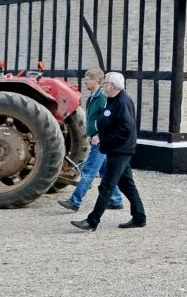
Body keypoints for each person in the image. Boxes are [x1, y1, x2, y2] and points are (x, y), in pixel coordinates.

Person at [71, 72, 147, 231]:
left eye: (105, 83)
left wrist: (105, 139)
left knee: (106, 185)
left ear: (112, 86)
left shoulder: (123, 102)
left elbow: (126, 129)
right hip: (114, 148)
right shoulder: (111, 100)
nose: (103, 85)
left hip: (120, 150)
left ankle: (92, 221)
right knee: (127, 185)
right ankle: (139, 217)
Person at [58, 68, 124, 212]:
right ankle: (116, 200)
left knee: (88, 171)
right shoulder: (93, 97)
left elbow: (109, 119)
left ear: (95, 81)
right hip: (97, 140)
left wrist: (99, 134)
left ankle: (74, 201)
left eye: (87, 79)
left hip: (100, 141)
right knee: (106, 171)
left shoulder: (102, 97)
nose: (85, 82)